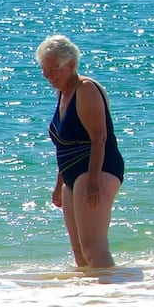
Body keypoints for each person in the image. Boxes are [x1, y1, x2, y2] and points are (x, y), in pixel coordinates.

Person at [36, 35, 125, 269]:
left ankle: (112, 297)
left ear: (71, 65)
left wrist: (94, 181)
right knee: (78, 248)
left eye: (53, 69)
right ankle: (89, 300)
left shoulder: (86, 89)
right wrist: (59, 183)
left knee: (93, 246)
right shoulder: (62, 92)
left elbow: (99, 138)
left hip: (97, 169)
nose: (48, 76)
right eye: (44, 69)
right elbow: (64, 146)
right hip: (72, 174)